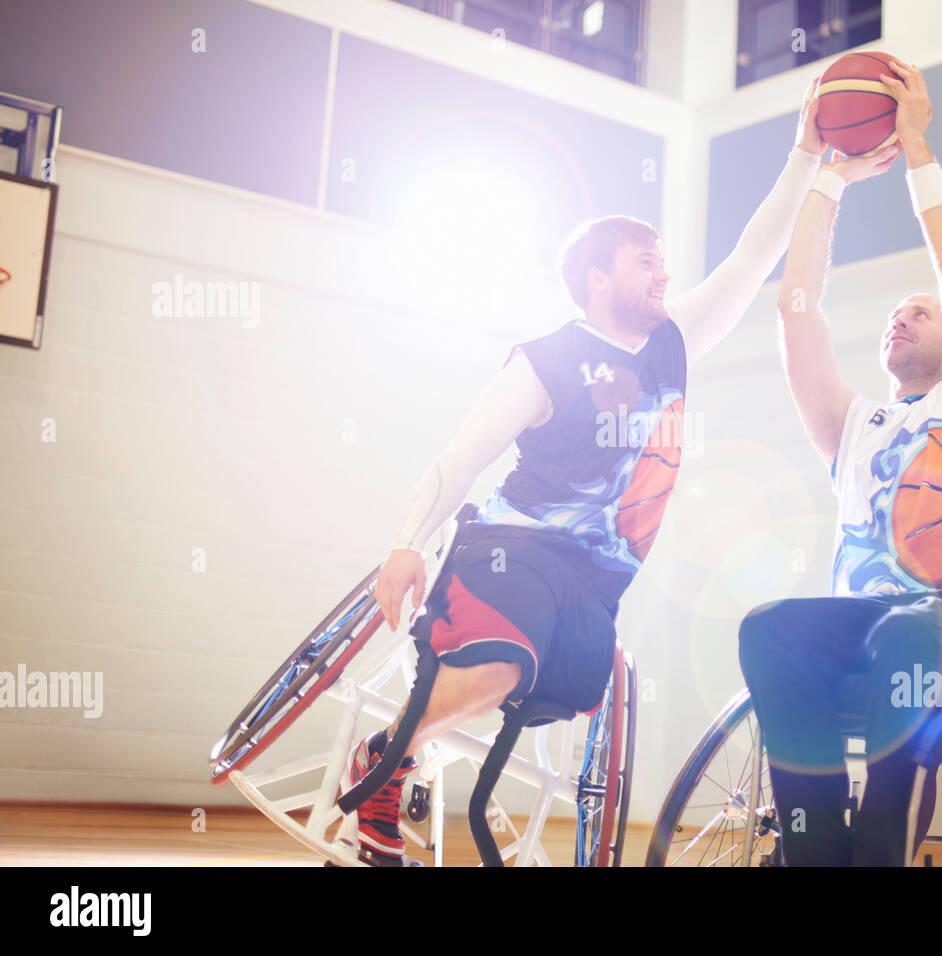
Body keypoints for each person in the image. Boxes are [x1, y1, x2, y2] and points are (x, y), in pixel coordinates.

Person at [343, 84, 902, 866]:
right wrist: (407, 542)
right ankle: (383, 757)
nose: (664, 277)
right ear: (598, 279)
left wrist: (814, 159)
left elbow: (751, 258)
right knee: (504, 663)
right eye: (646, 264)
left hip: (596, 580)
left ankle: (408, 752)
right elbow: (463, 455)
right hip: (512, 548)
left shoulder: (672, 341)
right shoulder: (546, 360)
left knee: (558, 689)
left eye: (664, 264)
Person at [738, 60, 942, 867]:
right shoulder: (853, 425)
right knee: (770, 628)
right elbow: (795, 309)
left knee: (911, 629)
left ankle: (875, 849)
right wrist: (829, 176)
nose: (902, 318)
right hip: (864, 642)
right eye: (895, 314)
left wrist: (916, 145)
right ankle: (815, 850)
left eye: (920, 312)